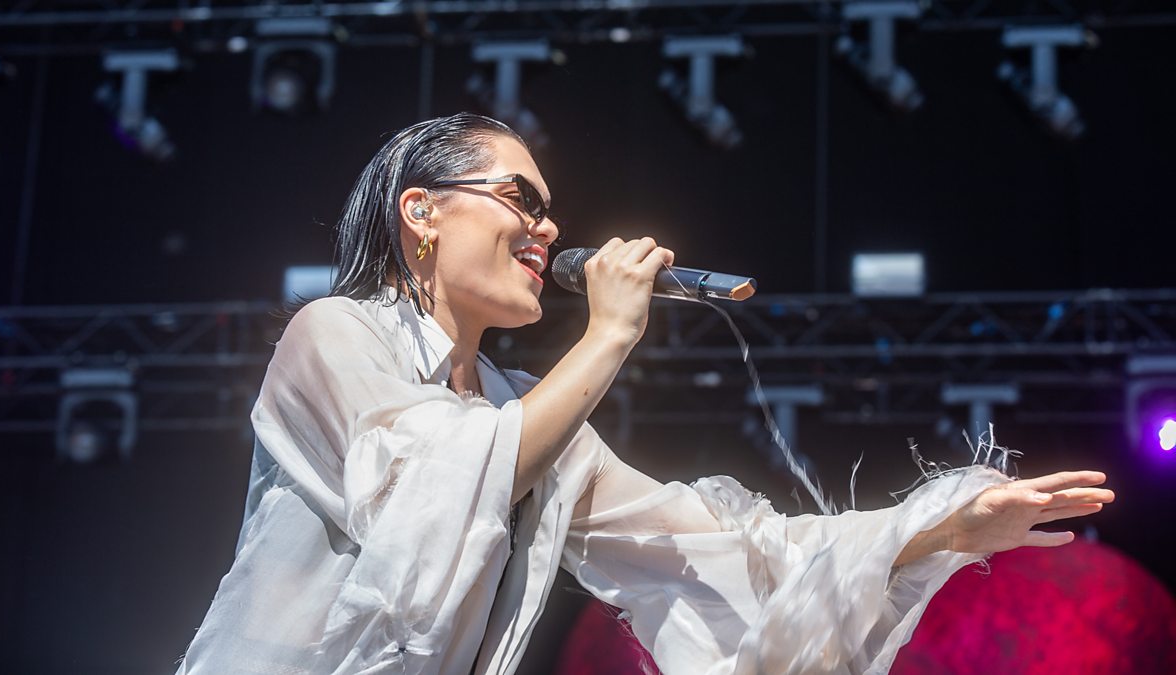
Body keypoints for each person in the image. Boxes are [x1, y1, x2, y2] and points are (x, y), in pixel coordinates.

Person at [175, 113, 1114, 675]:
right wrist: (611, 333)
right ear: (421, 210)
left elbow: (715, 548)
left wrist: (940, 526)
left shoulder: (518, 409)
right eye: (520, 198)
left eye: (551, 211)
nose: (548, 228)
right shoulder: (333, 334)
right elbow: (426, 497)